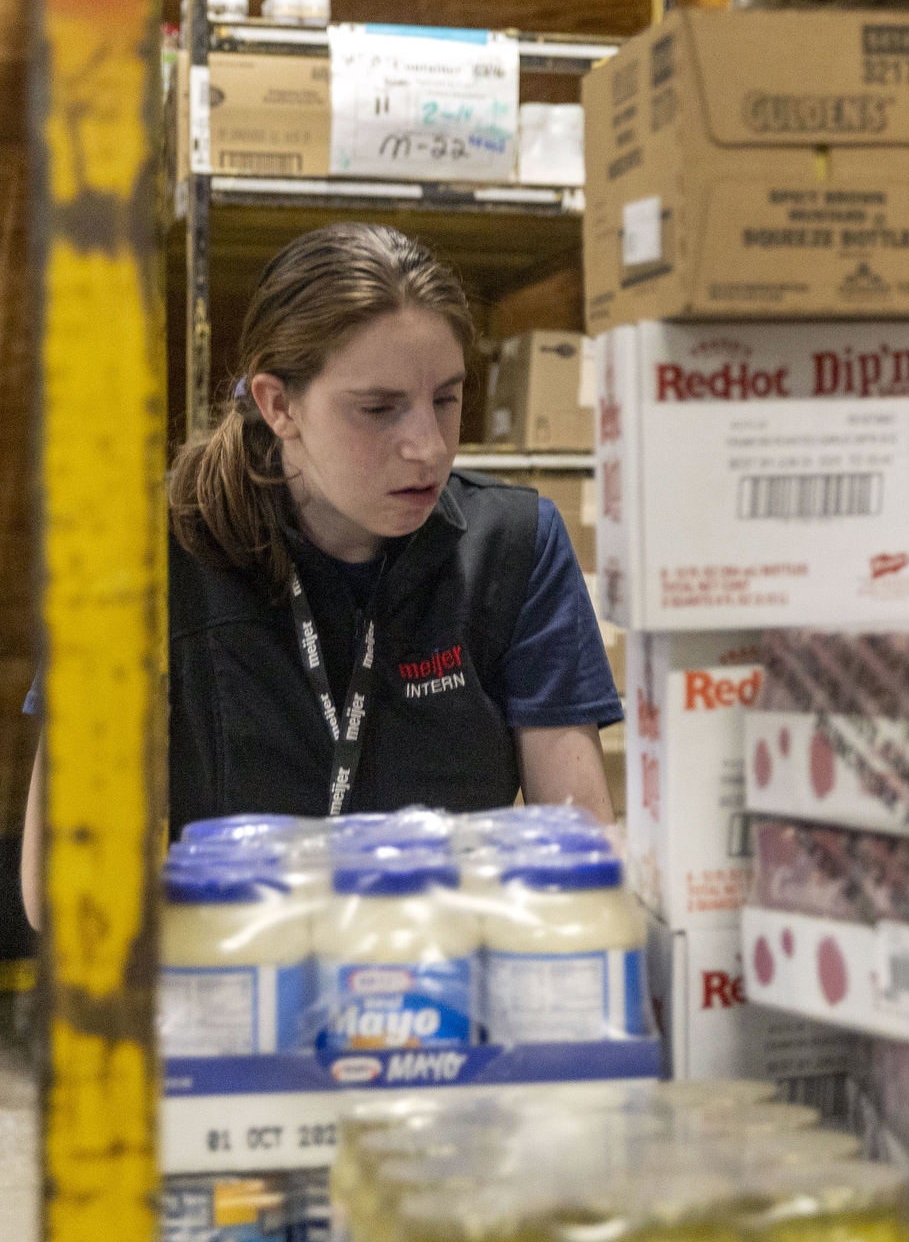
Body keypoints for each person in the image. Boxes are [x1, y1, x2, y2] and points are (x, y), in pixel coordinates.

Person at [21, 223, 621, 924]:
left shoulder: (517, 547)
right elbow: (62, 884)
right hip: (237, 991)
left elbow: (579, 864)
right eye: (378, 408)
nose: (427, 447)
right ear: (279, 406)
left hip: (444, 990)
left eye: (447, 399)